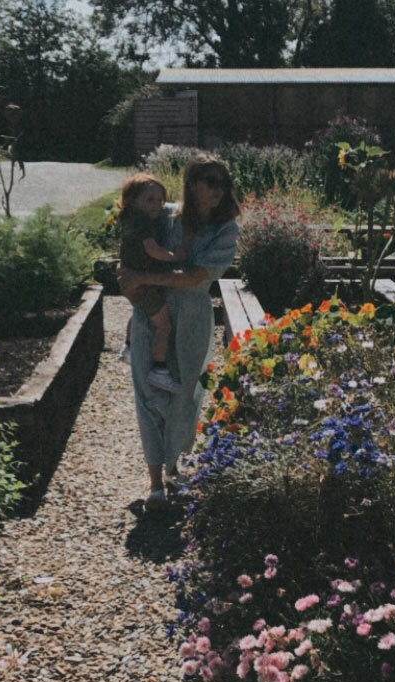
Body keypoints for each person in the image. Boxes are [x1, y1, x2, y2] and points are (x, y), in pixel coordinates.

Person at [118, 154, 241, 512]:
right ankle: (155, 483)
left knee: (185, 396)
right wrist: (127, 276)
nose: (218, 190)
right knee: (148, 391)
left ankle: (176, 471)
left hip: (191, 318)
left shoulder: (225, 229)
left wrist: (141, 278)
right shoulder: (164, 213)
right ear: (192, 182)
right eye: (210, 180)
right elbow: (131, 243)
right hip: (151, 312)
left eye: (223, 182)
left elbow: (194, 277)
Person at [117, 172, 185, 393]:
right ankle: (160, 369)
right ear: (132, 201)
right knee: (164, 325)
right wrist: (175, 257)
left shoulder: (130, 218)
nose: (157, 205)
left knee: (140, 310)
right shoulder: (142, 223)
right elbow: (152, 250)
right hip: (145, 281)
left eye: (160, 200)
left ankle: (127, 348)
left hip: (132, 278)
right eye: (150, 199)